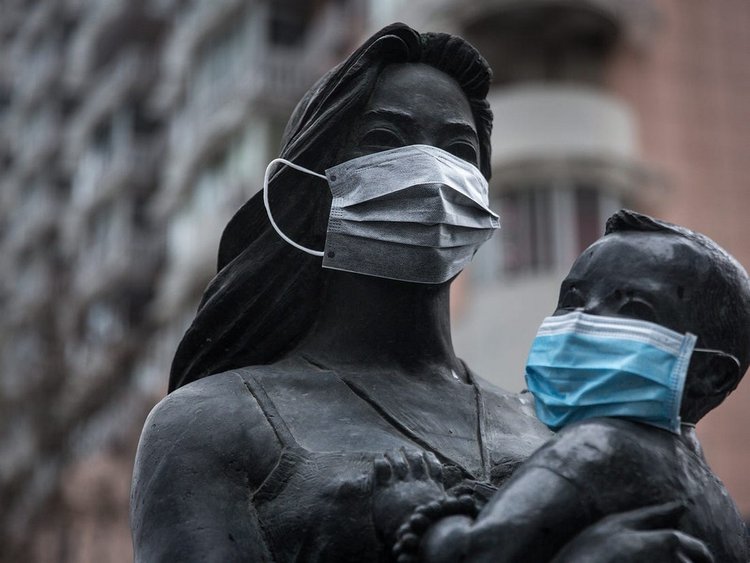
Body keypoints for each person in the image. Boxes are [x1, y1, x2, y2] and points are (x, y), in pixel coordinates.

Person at [130, 24, 726, 562]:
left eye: (459, 151)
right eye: (386, 137)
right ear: (309, 188)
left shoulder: (564, 433)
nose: (432, 170)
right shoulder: (210, 425)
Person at [387, 210, 750, 562]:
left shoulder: (600, 446)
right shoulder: (723, 507)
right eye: (572, 300)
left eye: (635, 310)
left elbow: (471, 553)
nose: (581, 320)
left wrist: (416, 504)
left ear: (712, 375)